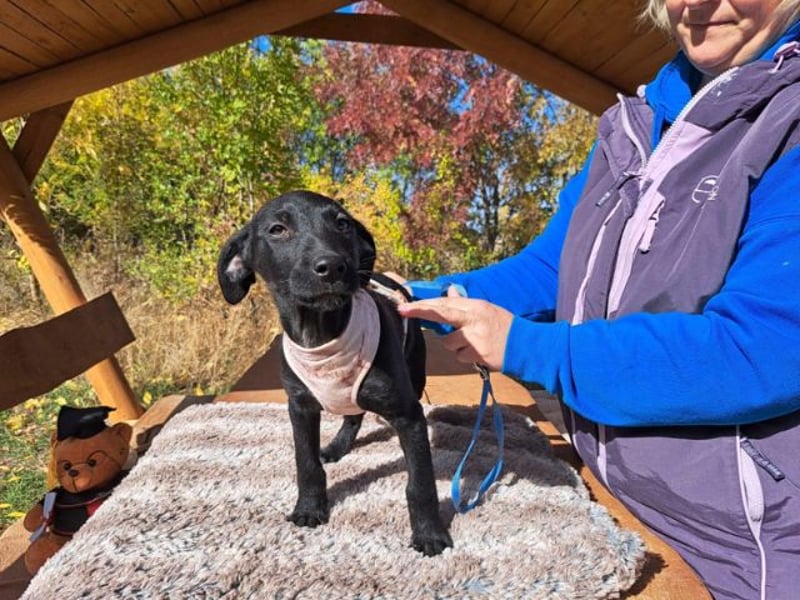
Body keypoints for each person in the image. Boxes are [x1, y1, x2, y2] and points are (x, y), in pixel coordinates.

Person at [396, 1, 800, 598]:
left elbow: (762, 348)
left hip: (749, 549)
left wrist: (531, 348)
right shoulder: (634, 124)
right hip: (618, 498)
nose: (700, 1)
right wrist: (414, 298)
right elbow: (554, 267)